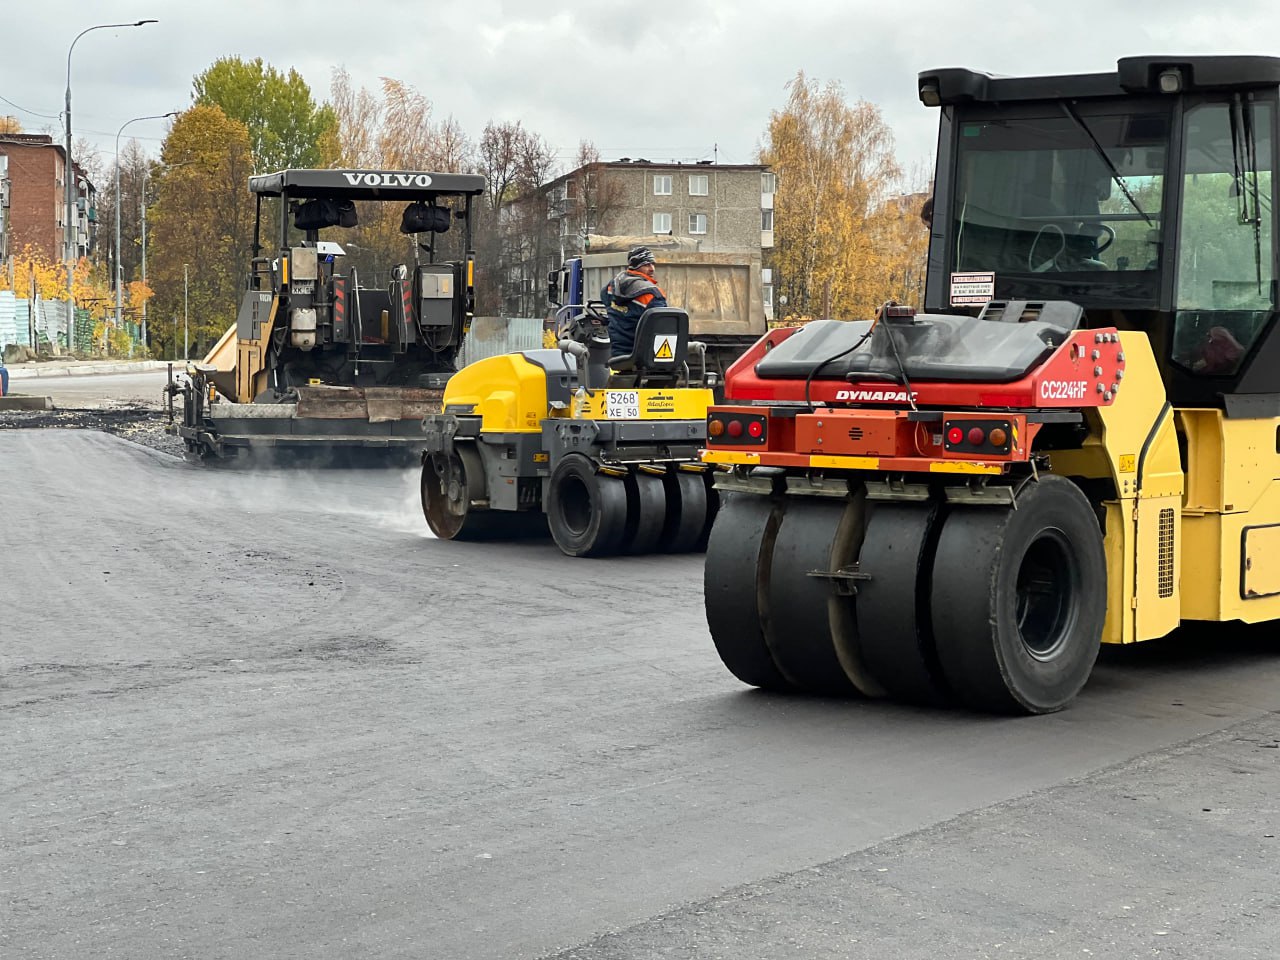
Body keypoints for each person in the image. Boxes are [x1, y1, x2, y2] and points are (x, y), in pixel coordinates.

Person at [602, 246, 667, 358]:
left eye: (653, 264)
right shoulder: (653, 295)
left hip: (617, 352)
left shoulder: (611, 287)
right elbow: (664, 327)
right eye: (646, 265)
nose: (652, 269)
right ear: (635, 266)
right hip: (643, 355)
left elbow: (608, 305)